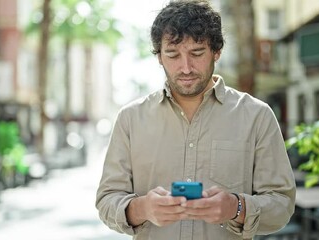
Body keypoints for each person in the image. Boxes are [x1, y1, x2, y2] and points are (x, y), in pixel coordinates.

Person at [95, 0, 296, 239]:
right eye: (172, 55)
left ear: (216, 51)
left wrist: (236, 208)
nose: (186, 68)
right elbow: (107, 200)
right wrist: (142, 208)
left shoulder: (257, 116)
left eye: (197, 53)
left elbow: (282, 205)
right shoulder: (130, 119)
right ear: (159, 57)